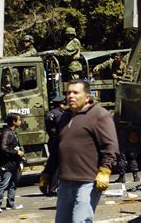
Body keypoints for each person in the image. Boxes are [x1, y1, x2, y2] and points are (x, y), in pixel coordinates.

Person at [39, 80, 119, 222]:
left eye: (76, 93)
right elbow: (58, 149)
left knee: (80, 221)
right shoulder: (65, 116)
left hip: (87, 182)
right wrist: (48, 173)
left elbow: (111, 146)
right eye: (68, 93)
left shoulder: (99, 115)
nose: (70, 96)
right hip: (65, 182)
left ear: (87, 97)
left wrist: (105, 170)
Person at [0, 113, 25, 213]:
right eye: (19, 120)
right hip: (6, 163)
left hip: (13, 162)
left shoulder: (13, 132)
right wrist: (17, 152)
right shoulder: (7, 133)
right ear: (13, 122)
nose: (21, 121)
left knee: (13, 184)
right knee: (4, 184)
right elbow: (3, 148)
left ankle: (10, 204)